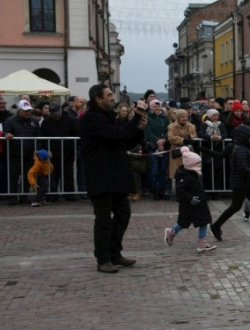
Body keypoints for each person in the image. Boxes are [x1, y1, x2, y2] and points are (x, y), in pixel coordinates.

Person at [78, 86, 147, 273]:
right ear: (98, 99)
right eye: (108, 95)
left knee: (123, 214)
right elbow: (116, 135)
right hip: (100, 176)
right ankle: (103, 259)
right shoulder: (91, 119)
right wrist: (135, 118)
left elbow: (123, 142)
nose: (112, 97)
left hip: (116, 176)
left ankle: (115, 253)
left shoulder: (108, 117)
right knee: (103, 220)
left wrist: (139, 129)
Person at [163, 146, 216, 252]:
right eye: (197, 163)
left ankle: (202, 242)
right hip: (188, 204)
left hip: (199, 203)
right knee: (183, 223)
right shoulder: (185, 176)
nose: (199, 165)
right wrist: (190, 198)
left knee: (204, 221)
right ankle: (171, 232)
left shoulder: (194, 174)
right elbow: (180, 190)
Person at [5, 99, 40, 203]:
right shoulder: (10, 121)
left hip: (29, 153)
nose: (28, 113)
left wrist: (36, 149)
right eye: (25, 111)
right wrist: (7, 134)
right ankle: (12, 197)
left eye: (29, 110)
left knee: (27, 175)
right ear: (19, 110)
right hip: (14, 154)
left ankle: (24, 196)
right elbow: (6, 131)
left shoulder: (34, 121)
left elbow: (38, 136)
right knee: (13, 176)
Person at [143, 99, 171, 199]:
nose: (157, 108)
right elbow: (148, 132)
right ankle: (154, 190)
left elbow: (169, 130)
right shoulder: (147, 118)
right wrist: (157, 141)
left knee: (163, 169)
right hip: (152, 147)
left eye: (158, 106)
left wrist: (164, 140)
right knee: (154, 169)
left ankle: (162, 189)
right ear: (150, 107)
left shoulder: (165, 118)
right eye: (154, 106)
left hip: (164, 146)